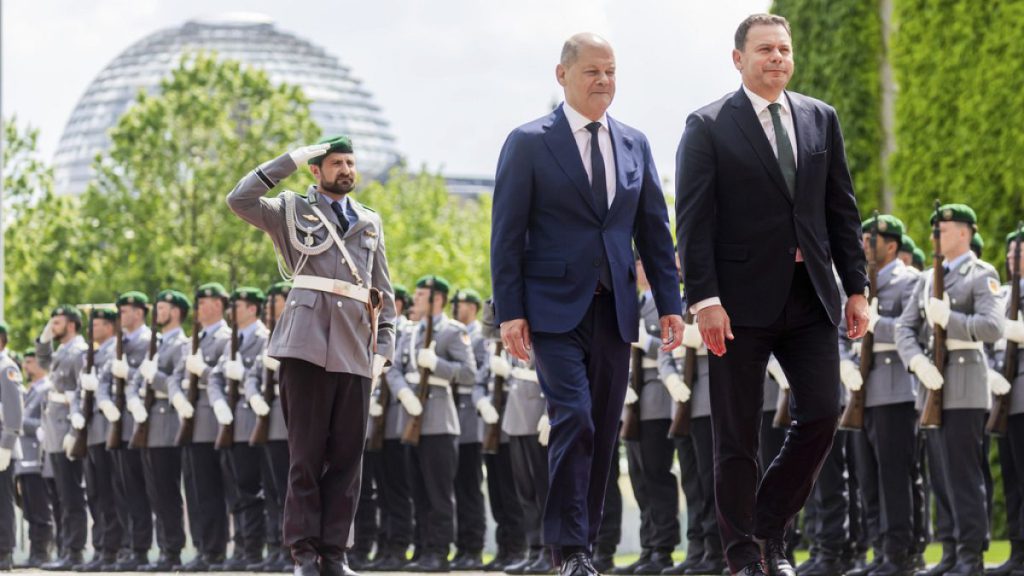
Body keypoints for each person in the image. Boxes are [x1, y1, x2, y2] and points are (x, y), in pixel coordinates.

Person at [675, 13, 869, 576]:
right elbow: (693, 221)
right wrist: (704, 299)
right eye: (764, 50)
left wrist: (855, 287)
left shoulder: (819, 118)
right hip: (736, 306)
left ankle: (765, 528)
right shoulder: (708, 124)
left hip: (812, 296)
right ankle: (746, 558)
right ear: (739, 59)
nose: (777, 58)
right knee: (736, 437)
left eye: (783, 49)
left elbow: (841, 209)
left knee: (823, 413)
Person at [490, 32, 683, 576]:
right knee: (572, 417)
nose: (604, 81)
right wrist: (510, 311)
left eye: (611, 72)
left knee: (601, 427)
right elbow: (506, 234)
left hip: (615, 308)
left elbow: (654, 230)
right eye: (593, 71)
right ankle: (567, 548)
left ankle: (586, 549)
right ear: (563, 76)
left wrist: (670, 303)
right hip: (551, 308)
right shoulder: (528, 142)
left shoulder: (634, 144)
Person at [227, 134, 397, 576]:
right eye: (336, 163)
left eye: (350, 163)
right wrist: (288, 159)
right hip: (305, 343)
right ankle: (304, 553)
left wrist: (385, 348)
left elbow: (383, 291)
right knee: (305, 455)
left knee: (346, 458)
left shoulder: (370, 222)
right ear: (315, 170)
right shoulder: (291, 211)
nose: (346, 170)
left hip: (356, 348)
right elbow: (239, 199)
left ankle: (335, 553)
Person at [895, 204, 1004, 576]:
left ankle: (970, 555)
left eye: (941, 230)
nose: (934, 238)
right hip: (932, 383)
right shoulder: (928, 279)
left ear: (963, 233)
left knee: (963, 475)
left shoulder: (982, 274)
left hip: (964, 384)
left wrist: (950, 320)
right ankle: (951, 552)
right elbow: (903, 329)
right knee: (940, 474)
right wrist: (916, 363)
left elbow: (992, 327)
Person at [842, 215, 921, 576]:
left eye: (870, 240)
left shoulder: (910, 281)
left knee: (893, 478)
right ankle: (877, 549)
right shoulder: (856, 286)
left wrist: (878, 324)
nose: (863, 246)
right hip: (861, 392)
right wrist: (844, 365)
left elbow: (912, 330)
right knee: (867, 479)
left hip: (894, 391)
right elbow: (841, 333)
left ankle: (896, 553)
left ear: (891, 245)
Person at [386, 275, 477, 572]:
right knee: (419, 491)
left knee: (439, 493)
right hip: (410, 419)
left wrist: (436, 364)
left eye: (421, 294)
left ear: (438, 299)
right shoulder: (410, 333)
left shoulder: (453, 332)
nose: (416, 299)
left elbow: (468, 373)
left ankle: (439, 551)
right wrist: (403, 393)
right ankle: (423, 548)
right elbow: (393, 369)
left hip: (439, 421)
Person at [169, 282, 232, 571]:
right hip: (191, 422)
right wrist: (178, 397)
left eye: (204, 302)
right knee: (194, 493)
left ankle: (216, 550)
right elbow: (174, 377)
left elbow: (226, 379)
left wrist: (203, 372)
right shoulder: (194, 339)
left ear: (218, 304)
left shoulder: (225, 337)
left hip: (211, 423)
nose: (199, 308)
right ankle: (202, 548)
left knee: (211, 491)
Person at [208, 286, 271, 570]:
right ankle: (244, 546)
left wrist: (243, 376)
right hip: (231, 423)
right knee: (237, 491)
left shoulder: (264, 337)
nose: (232, 311)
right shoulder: (233, 340)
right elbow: (215, 378)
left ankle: (257, 549)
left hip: (254, 422)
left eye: (238, 305)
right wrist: (219, 403)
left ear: (252, 309)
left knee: (255, 489)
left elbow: (262, 378)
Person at [131, 289, 190, 572]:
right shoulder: (155, 343)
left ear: (176, 311)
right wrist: (134, 397)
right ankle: (164, 548)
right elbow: (136, 380)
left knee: (167, 493)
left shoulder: (182, 344)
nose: (158, 312)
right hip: (149, 426)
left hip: (167, 427)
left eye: (163, 307)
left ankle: (173, 551)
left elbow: (177, 383)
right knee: (155, 494)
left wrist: (153, 377)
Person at [36, 305, 90, 570]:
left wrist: (75, 432)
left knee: (71, 496)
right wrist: (44, 337)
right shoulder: (61, 351)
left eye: (57, 323)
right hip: (55, 434)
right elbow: (42, 359)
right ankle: (67, 549)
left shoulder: (79, 352)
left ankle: (75, 551)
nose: (53, 327)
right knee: (61, 497)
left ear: (71, 325)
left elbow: (82, 393)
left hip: (68, 431)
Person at [72, 306, 123, 571]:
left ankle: (112, 549)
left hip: (108, 430)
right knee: (94, 494)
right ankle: (101, 546)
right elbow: (78, 392)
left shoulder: (117, 350)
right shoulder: (90, 354)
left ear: (111, 326)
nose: (92, 329)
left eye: (98, 323)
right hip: (90, 431)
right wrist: (75, 416)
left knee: (109, 492)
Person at [17, 349, 55, 568]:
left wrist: (16, 421)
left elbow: (43, 424)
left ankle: (43, 552)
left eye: (30, 362)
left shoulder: (46, 389)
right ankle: (35, 553)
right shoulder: (30, 391)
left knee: (41, 509)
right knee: (30, 511)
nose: (26, 366)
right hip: (25, 458)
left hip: (38, 457)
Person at [0, 322, 24, 571]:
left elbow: (14, 413)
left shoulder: (6, 368)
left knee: (2, 502)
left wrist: (6, 446)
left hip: (2, 448)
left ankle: (3, 552)